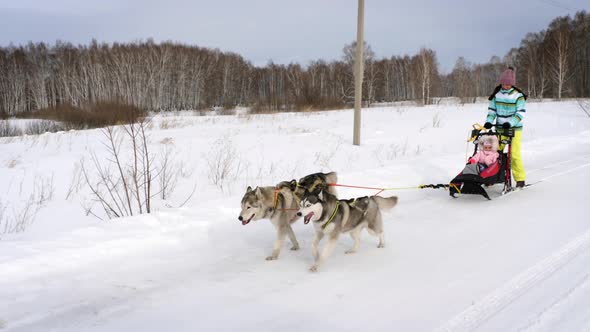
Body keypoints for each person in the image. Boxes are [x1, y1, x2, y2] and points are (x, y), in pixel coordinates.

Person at [484, 67, 526, 188]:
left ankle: (520, 179)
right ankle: (492, 176)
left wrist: (510, 123)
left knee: (514, 155)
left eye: (508, 84)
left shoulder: (518, 96)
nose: (505, 86)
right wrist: (488, 121)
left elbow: (520, 113)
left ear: (512, 83)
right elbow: (492, 111)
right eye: (504, 83)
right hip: (500, 130)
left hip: (514, 130)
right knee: (495, 153)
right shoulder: (496, 96)